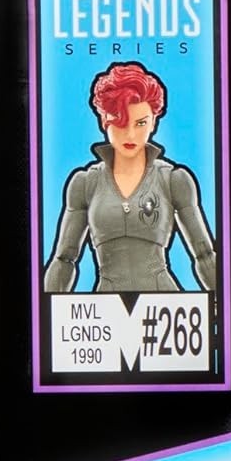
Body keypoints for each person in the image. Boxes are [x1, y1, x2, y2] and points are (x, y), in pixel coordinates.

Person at [44, 62, 216, 294]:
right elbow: (64, 259)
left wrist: (223, 306)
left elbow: (204, 254)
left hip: (164, 305)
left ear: (154, 121)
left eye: (141, 122)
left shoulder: (174, 180)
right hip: (106, 306)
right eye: (120, 122)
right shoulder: (84, 183)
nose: (131, 134)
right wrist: (47, 309)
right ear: (104, 120)